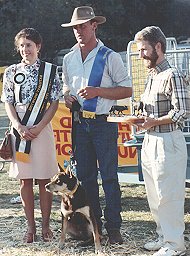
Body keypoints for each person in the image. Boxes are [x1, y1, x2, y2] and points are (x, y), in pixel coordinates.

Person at [61, 6, 132, 244]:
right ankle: (95, 230)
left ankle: (114, 229)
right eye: (75, 27)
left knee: (110, 177)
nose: (79, 31)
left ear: (94, 26)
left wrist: (97, 91)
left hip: (103, 123)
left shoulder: (109, 56)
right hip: (80, 124)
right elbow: (66, 87)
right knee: (86, 179)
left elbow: (127, 88)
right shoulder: (69, 58)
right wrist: (67, 97)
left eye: (83, 26)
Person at [134, 26, 190, 256]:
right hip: (150, 140)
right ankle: (163, 236)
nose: (141, 55)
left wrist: (152, 122)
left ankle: (175, 244)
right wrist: (139, 117)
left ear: (158, 46)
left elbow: (182, 112)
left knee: (169, 194)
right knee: (154, 194)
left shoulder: (173, 74)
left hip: (168, 141)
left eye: (144, 50)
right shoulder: (152, 76)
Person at [1, 28, 61, 243]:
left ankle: (46, 226)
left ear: (38, 46)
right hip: (20, 131)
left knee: (45, 179)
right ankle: (30, 228)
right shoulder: (11, 72)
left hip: (41, 129)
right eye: (22, 46)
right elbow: (8, 101)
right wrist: (18, 125)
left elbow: (54, 102)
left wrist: (39, 126)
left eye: (29, 45)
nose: (25, 49)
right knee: (25, 181)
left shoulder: (51, 71)